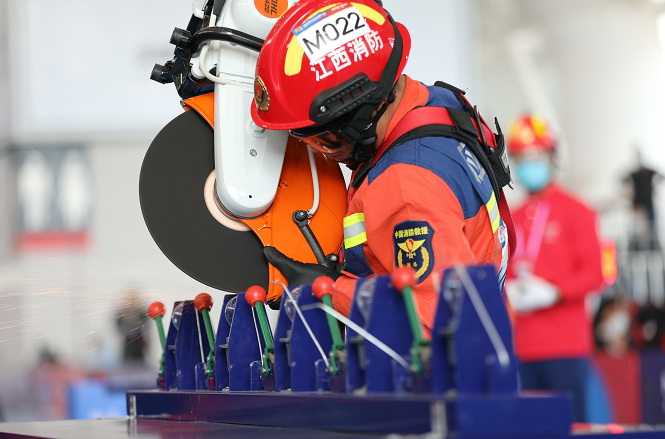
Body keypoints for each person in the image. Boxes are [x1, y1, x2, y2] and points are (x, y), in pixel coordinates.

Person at [250, 0, 515, 331]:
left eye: (321, 141)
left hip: (437, 360)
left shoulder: (405, 184)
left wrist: (329, 290)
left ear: (360, 116)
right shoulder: (436, 103)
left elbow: (438, 321)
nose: (324, 154)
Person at [504, 114, 603, 423]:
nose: (529, 165)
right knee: (530, 429)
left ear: (552, 157)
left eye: (536, 156)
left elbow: (595, 274)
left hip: (566, 347)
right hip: (522, 347)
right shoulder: (511, 217)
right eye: (522, 159)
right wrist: (507, 289)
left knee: (571, 426)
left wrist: (555, 292)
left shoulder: (578, 211)